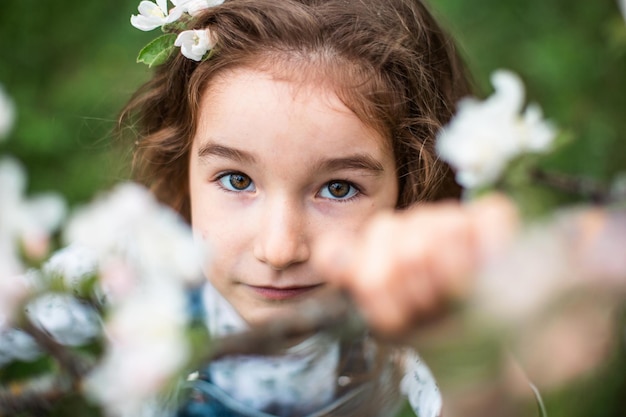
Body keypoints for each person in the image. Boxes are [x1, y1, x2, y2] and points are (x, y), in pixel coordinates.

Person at [121, 0, 512, 415]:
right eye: (238, 181)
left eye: (339, 188)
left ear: (412, 182)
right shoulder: (125, 289)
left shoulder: (417, 323)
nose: (279, 250)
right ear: (182, 164)